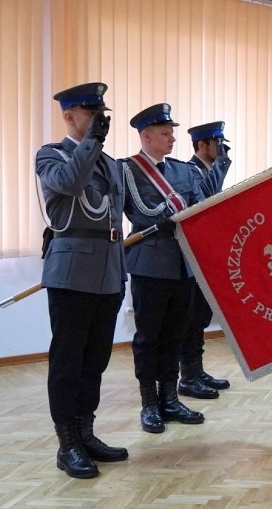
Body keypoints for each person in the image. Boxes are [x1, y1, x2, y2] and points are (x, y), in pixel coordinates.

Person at [36, 83, 127, 479]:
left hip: (108, 271)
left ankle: (85, 431)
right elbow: (72, 184)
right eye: (92, 114)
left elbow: (115, 219)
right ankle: (66, 443)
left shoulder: (110, 163)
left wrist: (121, 271)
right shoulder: (50, 155)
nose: (99, 121)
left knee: (96, 360)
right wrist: (90, 141)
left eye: (102, 114)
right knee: (69, 360)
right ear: (69, 116)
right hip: (72, 270)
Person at [121, 103, 206, 434]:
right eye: (166, 133)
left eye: (172, 133)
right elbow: (140, 214)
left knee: (176, 334)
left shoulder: (183, 171)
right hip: (150, 264)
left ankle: (170, 398)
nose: (172, 138)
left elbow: (199, 207)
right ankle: (149, 404)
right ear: (146, 135)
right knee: (149, 337)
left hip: (183, 265)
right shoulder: (127, 169)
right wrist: (168, 220)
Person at [178, 121, 233, 400]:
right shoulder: (189, 171)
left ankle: (197, 371)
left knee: (200, 318)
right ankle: (187, 376)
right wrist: (222, 165)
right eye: (217, 144)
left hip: (205, 256)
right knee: (190, 320)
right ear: (202, 145)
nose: (221, 149)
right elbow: (206, 201)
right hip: (190, 259)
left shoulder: (209, 171)